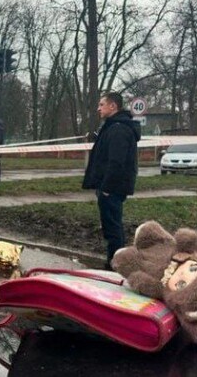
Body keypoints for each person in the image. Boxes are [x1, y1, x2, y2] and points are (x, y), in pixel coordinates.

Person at [81, 93, 141, 270]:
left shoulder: (118, 129)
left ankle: (115, 264)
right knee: (110, 224)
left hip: (111, 188)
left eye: (102, 104)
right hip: (109, 186)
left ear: (113, 106)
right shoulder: (112, 126)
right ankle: (115, 260)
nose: (98, 108)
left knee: (113, 226)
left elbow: (116, 162)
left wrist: (106, 188)